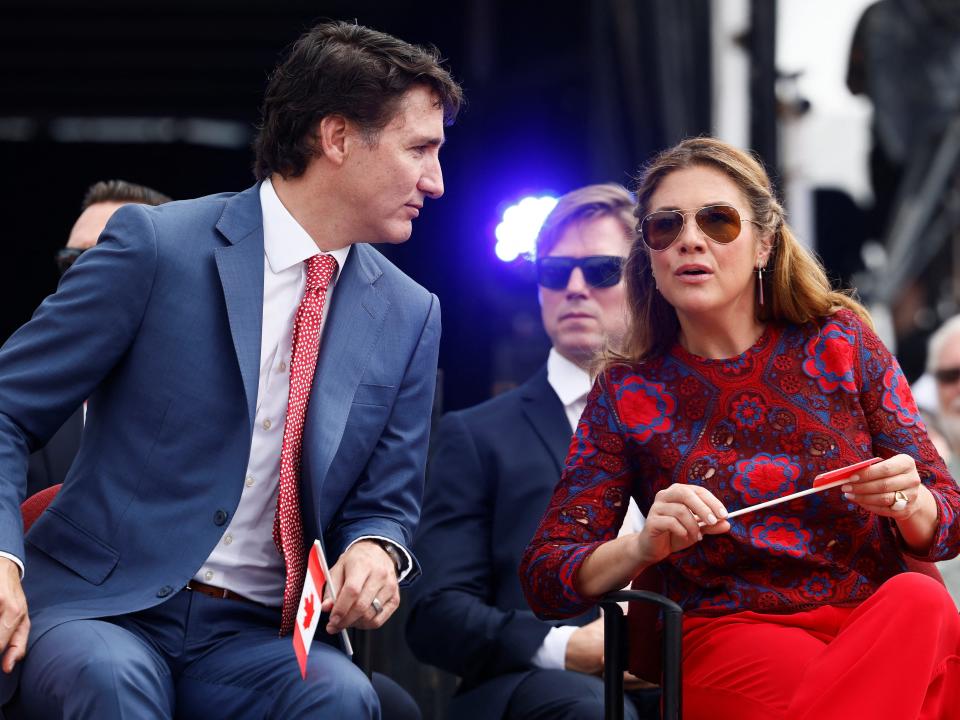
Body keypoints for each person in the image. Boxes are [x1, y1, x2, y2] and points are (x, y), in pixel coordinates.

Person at [0, 20, 462, 720]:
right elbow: (6, 406)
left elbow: (387, 501)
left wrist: (377, 550)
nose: (437, 181)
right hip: (104, 610)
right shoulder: (157, 245)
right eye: (420, 149)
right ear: (336, 138)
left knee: (343, 699)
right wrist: (3, 561)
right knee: (111, 684)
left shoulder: (411, 312)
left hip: (260, 637)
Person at [520, 137, 960, 720]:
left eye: (718, 221)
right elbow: (547, 574)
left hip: (881, 621)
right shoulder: (627, 392)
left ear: (764, 244)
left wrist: (906, 501)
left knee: (920, 599)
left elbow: (948, 522)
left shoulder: (843, 343)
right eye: (665, 227)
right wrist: (645, 544)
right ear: (648, 254)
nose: (690, 240)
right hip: (733, 635)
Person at [407, 184, 657, 720]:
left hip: (682, 669)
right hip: (541, 690)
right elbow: (434, 614)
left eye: (600, 270)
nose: (573, 287)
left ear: (646, 280)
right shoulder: (477, 436)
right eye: (553, 272)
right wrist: (567, 648)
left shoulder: (697, 418)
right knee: (592, 710)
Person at [27, 180, 172, 499]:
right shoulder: (20, 398)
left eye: (107, 255)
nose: (83, 274)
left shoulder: (231, 398)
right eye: (71, 260)